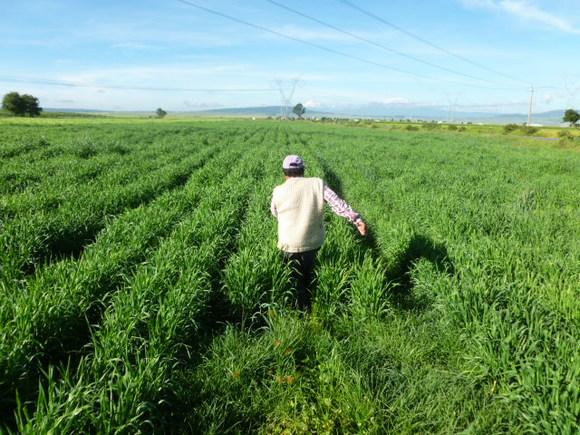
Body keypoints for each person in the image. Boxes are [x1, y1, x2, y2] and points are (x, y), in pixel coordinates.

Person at [270, 154, 367, 311]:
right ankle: (313, 305)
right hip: (312, 242)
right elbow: (337, 204)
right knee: (309, 274)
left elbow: (274, 212)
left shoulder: (278, 190)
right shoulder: (317, 184)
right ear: (303, 170)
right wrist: (356, 220)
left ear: (284, 172)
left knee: (293, 278)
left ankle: (297, 311)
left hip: (287, 244)